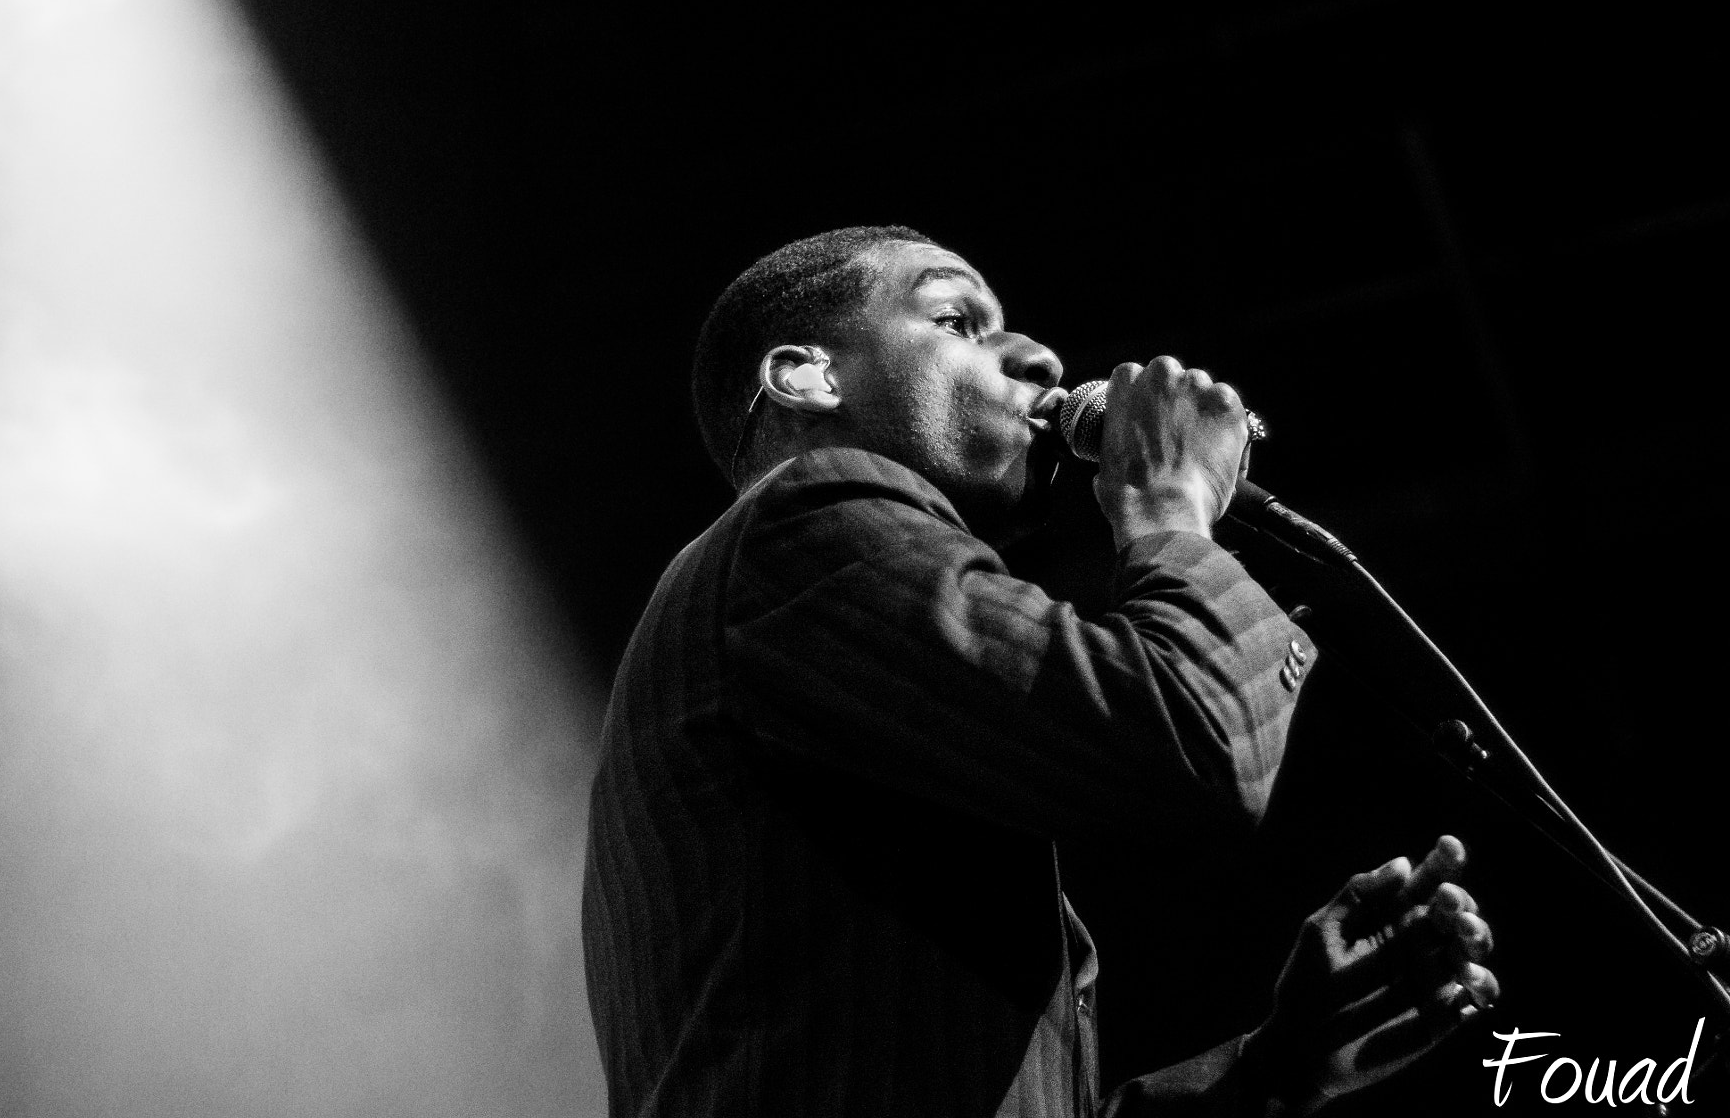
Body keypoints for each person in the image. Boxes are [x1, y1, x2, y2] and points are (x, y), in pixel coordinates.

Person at [581, 226, 1498, 1117]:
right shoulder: (801, 523)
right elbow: (1193, 742)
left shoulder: (827, 635)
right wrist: (1171, 501)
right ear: (808, 376)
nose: (1042, 358)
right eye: (955, 321)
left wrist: (1276, 1069)